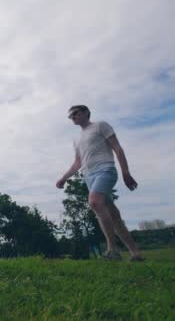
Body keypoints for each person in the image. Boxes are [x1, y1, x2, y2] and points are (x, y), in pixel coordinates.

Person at [56, 105, 144, 261]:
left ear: (86, 112)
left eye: (75, 113)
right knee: (113, 215)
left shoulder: (100, 126)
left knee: (94, 202)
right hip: (88, 176)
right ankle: (135, 253)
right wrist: (64, 178)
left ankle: (112, 251)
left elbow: (117, 148)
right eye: (70, 116)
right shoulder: (77, 139)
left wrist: (126, 172)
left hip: (105, 170)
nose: (72, 117)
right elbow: (78, 162)